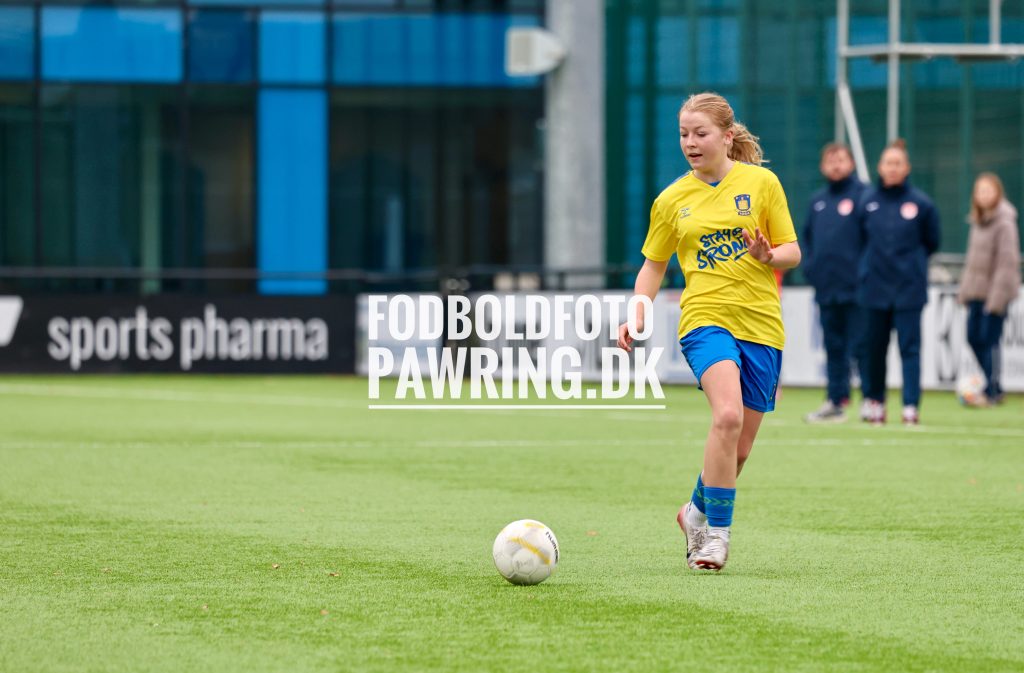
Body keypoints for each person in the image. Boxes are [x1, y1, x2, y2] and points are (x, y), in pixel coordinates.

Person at [616, 92, 801, 572]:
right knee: (727, 416)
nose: (690, 143)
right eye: (683, 134)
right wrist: (638, 313)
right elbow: (653, 265)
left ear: (727, 136)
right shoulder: (671, 200)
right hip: (704, 320)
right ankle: (715, 536)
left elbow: (792, 251)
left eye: (700, 133)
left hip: (762, 325)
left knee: (738, 450)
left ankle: (694, 512)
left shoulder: (762, 183)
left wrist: (767, 256)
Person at [857, 139, 940, 425]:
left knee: (910, 349)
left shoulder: (922, 204)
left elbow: (932, 242)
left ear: (907, 168)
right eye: (888, 163)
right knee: (874, 350)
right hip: (874, 290)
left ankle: (910, 406)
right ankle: (875, 402)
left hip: (909, 290)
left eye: (898, 163)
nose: (892, 168)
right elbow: (859, 241)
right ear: (880, 167)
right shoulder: (867, 202)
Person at [802, 143, 869, 423]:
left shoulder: (865, 196)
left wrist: (864, 274)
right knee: (833, 347)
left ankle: (870, 401)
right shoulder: (818, 201)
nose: (836, 165)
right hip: (827, 289)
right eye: (830, 160)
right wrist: (811, 269)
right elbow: (806, 239)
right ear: (822, 166)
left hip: (858, 290)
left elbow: (873, 240)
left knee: (863, 346)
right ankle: (835, 400)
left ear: (851, 163)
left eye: (841, 159)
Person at [957, 172, 1021, 405]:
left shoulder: (1005, 222)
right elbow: (972, 261)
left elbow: (1007, 263)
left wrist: (997, 299)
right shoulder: (978, 220)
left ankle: (993, 389)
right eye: (980, 191)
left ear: (998, 193)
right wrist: (964, 291)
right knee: (973, 337)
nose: (983, 195)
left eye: (988, 190)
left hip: (995, 295)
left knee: (990, 339)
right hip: (976, 293)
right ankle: (992, 384)